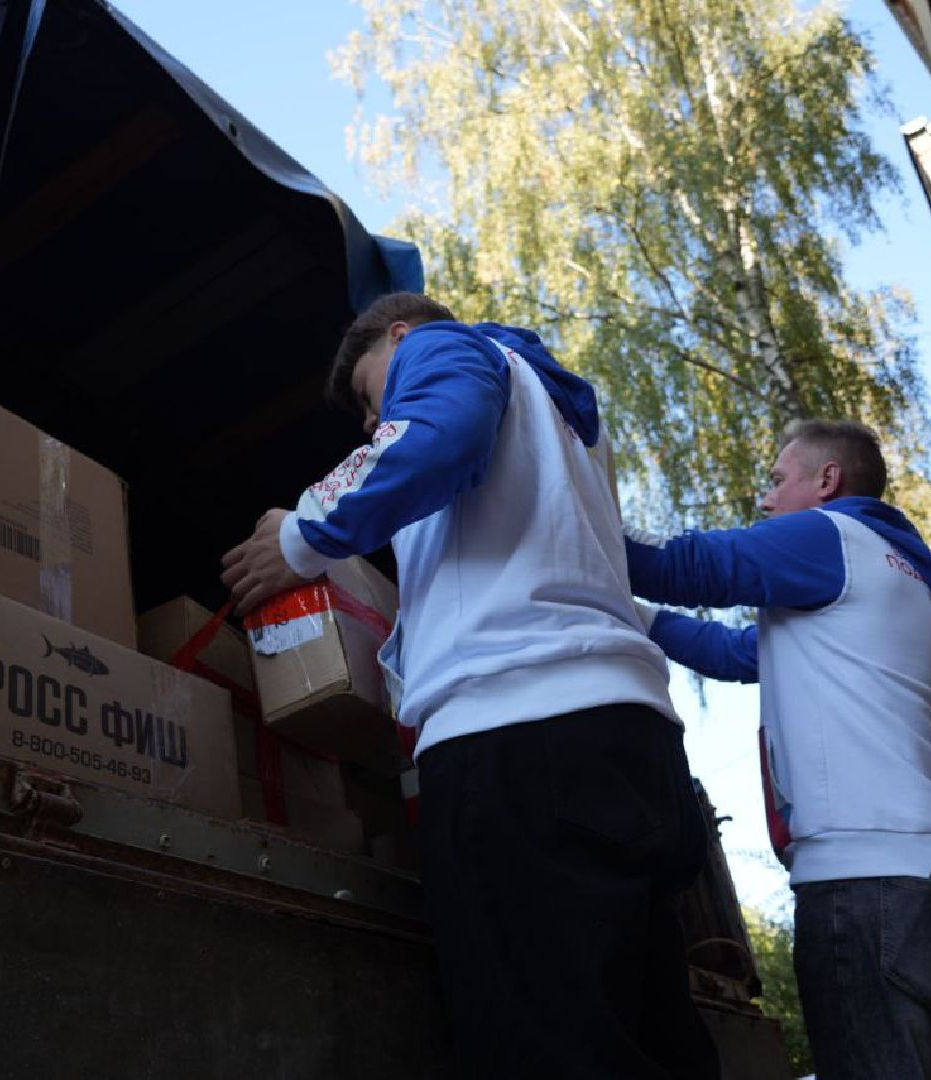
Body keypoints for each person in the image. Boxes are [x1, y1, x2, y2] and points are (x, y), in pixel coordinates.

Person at [221, 292, 719, 1079]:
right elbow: (646, 564)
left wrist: (302, 534)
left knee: (542, 1048)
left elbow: (434, 437)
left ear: (400, 335)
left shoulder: (445, 351)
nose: (367, 419)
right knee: (652, 1038)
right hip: (632, 747)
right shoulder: (563, 425)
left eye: (365, 392)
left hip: (519, 747)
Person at [627, 419, 931, 1079]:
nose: (764, 500)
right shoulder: (894, 575)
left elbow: (687, 565)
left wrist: (567, 519)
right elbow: (735, 653)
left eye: (777, 480)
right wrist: (632, 615)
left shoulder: (831, 536)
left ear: (826, 481)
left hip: (865, 883)